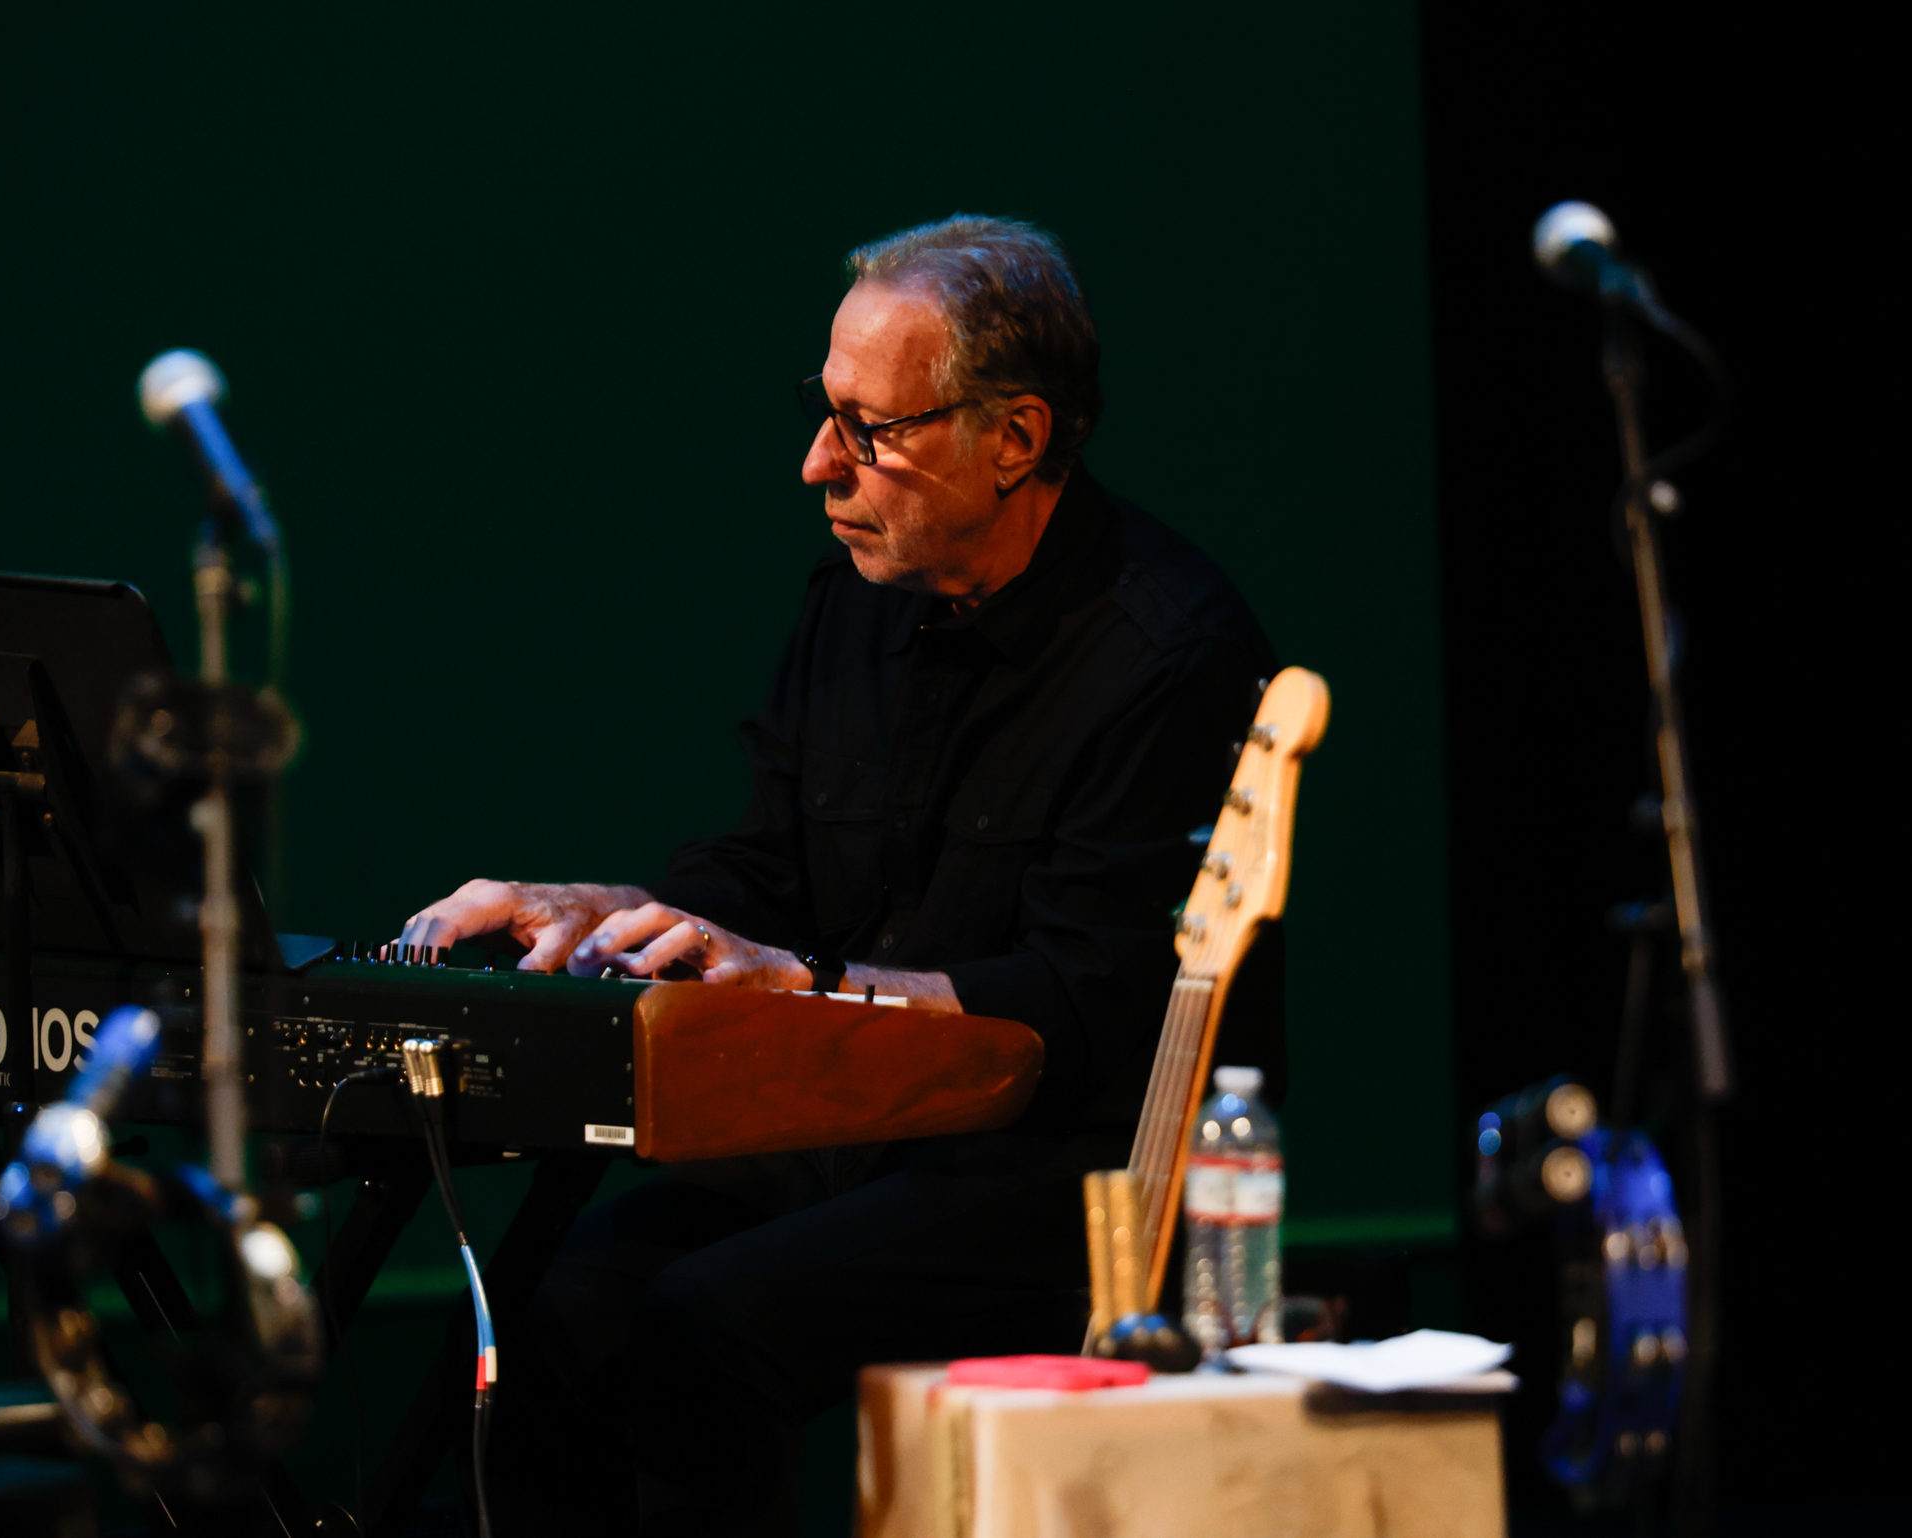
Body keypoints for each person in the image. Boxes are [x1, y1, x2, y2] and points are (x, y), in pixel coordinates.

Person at [395, 215, 1281, 1535]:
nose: (819, 462)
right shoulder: (858, 599)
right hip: (855, 1147)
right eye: (826, 414)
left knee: (705, 1327)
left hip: (1065, 1184)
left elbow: (1086, 1010)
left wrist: (805, 983)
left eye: (869, 430)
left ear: (1015, 438)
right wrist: (607, 913)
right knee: (534, 1319)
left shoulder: (1169, 654)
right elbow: (763, 873)